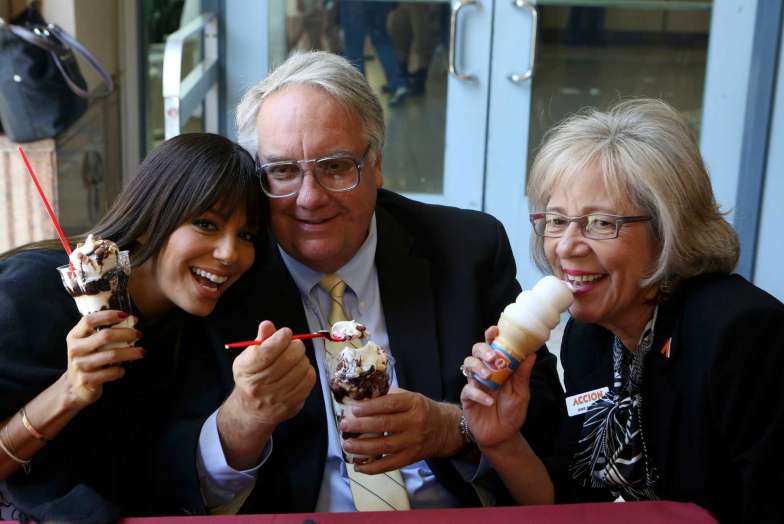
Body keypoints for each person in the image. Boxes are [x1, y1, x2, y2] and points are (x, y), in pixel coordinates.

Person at [150, 50, 563, 515]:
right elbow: (158, 475)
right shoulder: (221, 278)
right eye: (283, 171)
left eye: (335, 166)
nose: (309, 198)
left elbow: (548, 424)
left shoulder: (464, 249)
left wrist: (453, 430)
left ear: (377, 164)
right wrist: (240, 425)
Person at [460, 99, 784, 523]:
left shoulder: (741, 334)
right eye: (557, 221)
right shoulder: (589, 335)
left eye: (599, 223)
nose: (566, 246)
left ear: (668, 228)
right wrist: (501, 442)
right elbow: (573, 505)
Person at [0, 133, 266, 523]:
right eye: (206, 224)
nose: (230, 254)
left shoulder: (196, 329)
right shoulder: (31, 293)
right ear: (150, 217)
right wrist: (68, 392)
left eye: (246, 235)